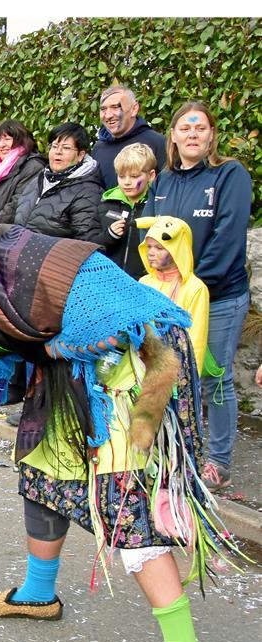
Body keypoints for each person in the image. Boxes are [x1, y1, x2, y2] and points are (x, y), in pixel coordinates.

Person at [0, 216, 246, 642]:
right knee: (45, 470)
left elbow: (127, 321)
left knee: (128, 507)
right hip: (70, 377)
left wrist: (49, 347)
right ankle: (38, 594)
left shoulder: (48, 263)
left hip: (137, 372)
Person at [142, 101, 253, 492]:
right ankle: (167, 449)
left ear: (211, 136)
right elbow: (152, 237)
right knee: (165, 371)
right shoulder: (164, 182)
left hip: (218, 298)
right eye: (185, 128)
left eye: (200, 128)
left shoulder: (230, 175)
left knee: (213, 376)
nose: (192, 134)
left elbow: (226, 239)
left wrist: (190, 287)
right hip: (167, 297)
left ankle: (218, 462)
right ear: (172, 136)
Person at [13, 122, 105, 243]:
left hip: (54, 259)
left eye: (66, 148)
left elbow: (85, 244)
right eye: (54, 146)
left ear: (81, 155)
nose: (58, 152)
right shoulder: (38, 179)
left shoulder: (89, 191)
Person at [136, 216, 209, 365]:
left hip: (175, 367)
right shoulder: (144, 282)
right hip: (141, 363)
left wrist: (189, 378)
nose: (151, 253)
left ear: (177, 250)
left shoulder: (194, 288)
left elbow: (196, 340)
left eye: (159, 248)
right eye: (149, 246)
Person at [98, 143, 157, 278]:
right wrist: (109, 236)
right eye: (122, 176)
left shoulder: (157, 205)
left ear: (151, 175)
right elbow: (88, 245)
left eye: (134, 176)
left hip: (145, 283)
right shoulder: (106, 204)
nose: (127, 182)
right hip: (108, 281)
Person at [92, 85, 168, 189]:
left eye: (115, 107)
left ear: (134, 109)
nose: (108, 115)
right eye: (103, 109)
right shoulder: (98, 149)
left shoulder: (158, 143)